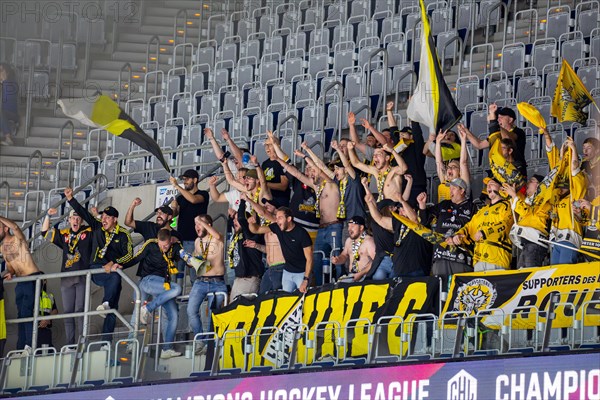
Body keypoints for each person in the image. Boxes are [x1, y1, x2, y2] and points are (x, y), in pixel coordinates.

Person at [65, 188, 133, 342]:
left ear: (115, 219)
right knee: (114, 279)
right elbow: (82, 213)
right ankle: (106, 302)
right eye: (103, 216)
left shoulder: (123, 234)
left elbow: (129, 255)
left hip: (112, 270)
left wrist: (114, 263)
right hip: (96, 268)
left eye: (108, 217)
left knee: (112, 306)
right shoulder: (97, 226)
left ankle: (105, 341)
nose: (104, 219)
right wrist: (70, 198)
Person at [114, 229, 183, 359]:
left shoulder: (174, 247)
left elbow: (183, 257)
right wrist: (120, 264)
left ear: (170, 240)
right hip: (147, 280)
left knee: (174, 314)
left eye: (167, 245)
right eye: (162, 245)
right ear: (157, 240)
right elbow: (135, 258)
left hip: (163, 285)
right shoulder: (151, 244)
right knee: (177, 289)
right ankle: (131, 341)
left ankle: (167, 348)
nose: (164, 248)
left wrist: (178, 243)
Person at [283, 145, 341, 285]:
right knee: (316, 261)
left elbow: (319, 167)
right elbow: (297, 174)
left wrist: (305, 154)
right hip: (321, 228)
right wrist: (280, 161)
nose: (312, 174)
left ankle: (341, 285)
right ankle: (321, 288)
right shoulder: (317, 187)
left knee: (338, 260)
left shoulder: (332, 184)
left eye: (314, 172)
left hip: (335, 227)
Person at [41, 208, 92, 345]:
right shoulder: (64, 233)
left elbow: (101, 229)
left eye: (78, 219)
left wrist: (96, 214)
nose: (75, 221)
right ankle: (70, 345)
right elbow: (44, 232)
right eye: (73, 218)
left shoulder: (88, 231)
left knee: (80, 311)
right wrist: (48, 215)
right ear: (68, 220)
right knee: (68, 313)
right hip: (66, 278)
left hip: (82, 276)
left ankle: (82, 343)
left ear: (81, 221)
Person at [418, 177, 476, 291]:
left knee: (459, 294)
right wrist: (422, 205)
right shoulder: (443, 205)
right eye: (450, 188)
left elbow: (474, 230)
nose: (450, 191)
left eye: (454, 188)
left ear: (462, 190)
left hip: (461, 258)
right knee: (441, 293)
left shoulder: (472, 208)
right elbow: (424, 222)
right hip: (441, 256)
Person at [364, 182, 432, 278]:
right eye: (399, 209)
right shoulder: (399, 223)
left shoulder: (422, 221)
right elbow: (380, 219)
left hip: (416, 272)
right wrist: (370, 203)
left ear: (413, 210)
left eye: (402, 209)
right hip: (399, 271)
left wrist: (402, 200)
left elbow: (414, 219)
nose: (399, 212)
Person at [183, 215, 227, 354]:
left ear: (208, 224)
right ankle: (201, 340)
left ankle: (210, 344)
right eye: (195, 224)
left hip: (217, 282)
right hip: (200, 281)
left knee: (212, 315)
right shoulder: (197, 241)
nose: (197, 227)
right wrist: (189, 260)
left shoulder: (217, 238)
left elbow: (217, 235)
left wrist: (202, 222)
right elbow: (196, 262)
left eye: (200, 224)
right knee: (191, 310)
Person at [449, 178, 514, 271]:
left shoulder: (507, 206)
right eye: (487, 185)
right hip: (479, 260)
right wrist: (458, 235)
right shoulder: (482, 211)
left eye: (492, 183)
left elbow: (505, 225)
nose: (488, 186)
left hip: (498, 259)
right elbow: (469, 227)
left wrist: (485, 232)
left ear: (502, 188)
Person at [0, 215, 42, 350]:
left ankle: (29, 345)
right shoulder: (2, 248)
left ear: (5, 228)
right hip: (20, 281)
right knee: (20, 315)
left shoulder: (18, 239)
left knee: (26, 312)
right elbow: (10, 265)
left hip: (32, 277)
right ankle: (21, 347)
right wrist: (10, 272)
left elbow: (16, 227)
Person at [248, 207, 313, 293]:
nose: (277, 220)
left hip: (302, 273)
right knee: (285, 301)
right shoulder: (277, 227)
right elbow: (256, 230)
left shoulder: (301, 233)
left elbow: (310, 259)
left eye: (280, 218)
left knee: (302, 300)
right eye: (276, 217)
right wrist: (251, 223)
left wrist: (306, 279)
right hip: (287, 272)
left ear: (289, 219)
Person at [465, 104, 528, 179]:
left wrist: (494, 123)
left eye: (501, 117)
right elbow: (479, 145)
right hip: (500, 171)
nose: (498, 120)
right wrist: (465, 131)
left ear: (510, 120)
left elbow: (508, 138)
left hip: (515, 171)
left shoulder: (519, 132)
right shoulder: (497, 133)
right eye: (497, 118)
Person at [503, 175, 551, 268]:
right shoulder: (526, 200)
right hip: (526, 243)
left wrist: (514, 195)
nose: (528, 182)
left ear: (538, 185)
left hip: (536, 243)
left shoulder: (542, 200)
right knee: (522, 275)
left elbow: (526, 212)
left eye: (532, 181)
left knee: (530, 274)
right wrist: (510, 189)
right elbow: (506, 193)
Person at [170, 169, 209, 281]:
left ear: (195, 180)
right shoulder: (180, 197)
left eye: (187, 179)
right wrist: (173, 208)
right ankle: (177, 296)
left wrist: (177, 186)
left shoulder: (203, 194)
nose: (185, 181)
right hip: (180, 239)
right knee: (177, 273)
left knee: (195, 274)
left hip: (196, 240)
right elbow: (173, 215)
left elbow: (193, 200)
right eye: (183, 179)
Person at [243, 196, 286, 293]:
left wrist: (248, 200)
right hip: (270, 268)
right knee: (262, 298)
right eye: (264, 205)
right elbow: (255, 230)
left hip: (281, 267)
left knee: (278, 298)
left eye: (268, 205)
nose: (265, 207)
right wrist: (256, 245)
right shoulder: (269, 227)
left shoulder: (279, 223)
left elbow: (263, 213)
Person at [229, 203, 264, 301]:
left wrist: (243, 201)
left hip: (250, 278)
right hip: (239, 278)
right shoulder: (237, 236)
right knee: (232, 310)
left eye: (237, 219)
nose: (234, 221)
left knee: (240, 309)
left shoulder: (250, 233)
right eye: (234, 219)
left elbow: (241, 218)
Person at [330, 216, 376, 282]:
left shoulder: (369, 241)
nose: (349, 229)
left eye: (352, 226)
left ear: (361, 227)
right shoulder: (349, 241)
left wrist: (361, 274)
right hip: (351, 275)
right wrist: (338, 259)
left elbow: (375, 261)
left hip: (365, 276)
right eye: (348, 226)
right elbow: (344, 255)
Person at [434, 125, 471, 202]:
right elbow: (439, 162)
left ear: (460, 172)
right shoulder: (444, 179)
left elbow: (463, 162)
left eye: (454, 167)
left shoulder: (463, 183)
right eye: (448, 167)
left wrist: (463, 140)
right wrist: (438, 142)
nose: (449, 169)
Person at [262, 137, 290, 207]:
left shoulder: (282, 162)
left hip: (280, 200)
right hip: (267, 199)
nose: (267, 147)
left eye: (270, 145)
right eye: (266, 145)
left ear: (277, 146)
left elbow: (283, 186)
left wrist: (264, 184)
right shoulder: (265, 163)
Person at [0, 63, 19, 146]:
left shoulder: (11, 84)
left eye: (1, 70)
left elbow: (9, 98)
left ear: (7, 72)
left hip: (11, 113)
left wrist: (5, 81)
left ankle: (8, 138)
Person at [36, 278, 58, 348]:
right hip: (34, 330)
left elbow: (55, 310)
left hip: (46, 330)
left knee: (46, 353)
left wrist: (47, 319)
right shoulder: (32, 296)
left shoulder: (50, 296)